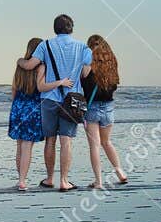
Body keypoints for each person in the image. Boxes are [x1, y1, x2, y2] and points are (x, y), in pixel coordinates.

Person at [19, 14, 92, 191]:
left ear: (55, 28)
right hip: (72, 99)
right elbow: (85, 74)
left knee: (50, 141)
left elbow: (30, 66)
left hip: (49, 99)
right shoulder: (83, 47)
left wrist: (19, 61)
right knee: (66, 141)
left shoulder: (45, 45)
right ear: (71, 28)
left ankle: (50, 178)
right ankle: (64, 181)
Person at [9, 36, 62, 190]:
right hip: (33, 107)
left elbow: (14, 87)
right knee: (27, 146)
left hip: (18, 105)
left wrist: (16, 104)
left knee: (19, 145)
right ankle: (22, 181)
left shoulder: (20, 66)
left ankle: (20, 178)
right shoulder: (41, 67)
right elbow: (42, 88)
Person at [82, 34, 128, 189]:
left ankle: (98, 181)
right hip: (109, 107)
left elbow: (81, 81)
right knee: (107, 142)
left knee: (94, 146)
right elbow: (114, 85)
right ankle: (120, 172)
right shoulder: (112, 65)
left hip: (92, 107)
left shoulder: (87, 65)